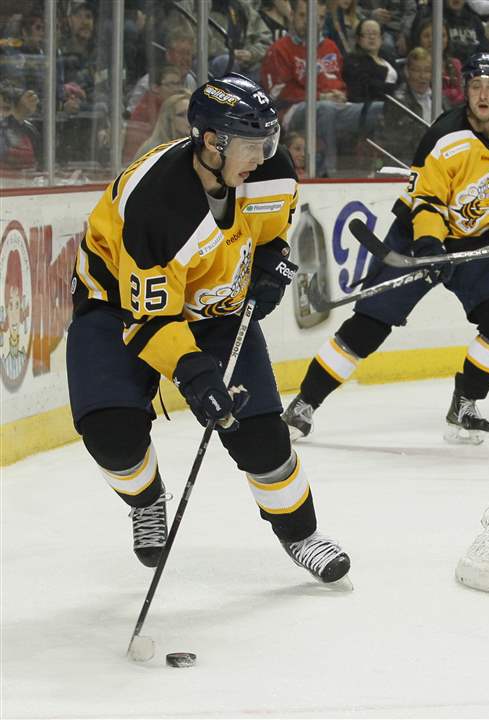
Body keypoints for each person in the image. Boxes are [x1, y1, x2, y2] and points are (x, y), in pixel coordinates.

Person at [67, 73, 350, 584]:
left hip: (216, 308)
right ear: (211, 142)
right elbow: (150, 319)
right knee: (111, 433)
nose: (264, 155)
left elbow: (270, 234)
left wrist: (273, 262)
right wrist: (195, 375)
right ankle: (147, 501)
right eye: (251, 144)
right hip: (116, 305)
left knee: (262, 438)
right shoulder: (156, 205)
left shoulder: (271, 170)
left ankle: (301, 534)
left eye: (269, 140)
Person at [282, 53, 489, 444]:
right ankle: (304, 403)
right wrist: (430, 246)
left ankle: (466, 402)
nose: (483, 95)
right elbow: (425, 200)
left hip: (475, 238)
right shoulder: (444, 137)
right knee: (370, 326)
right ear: (465, 90)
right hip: (416, 238)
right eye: (476, 86)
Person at [261, 0, 381, 176]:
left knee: (378, 109)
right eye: (304, 15)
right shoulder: (279, 49)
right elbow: (278, 94)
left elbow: (339, 80)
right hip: (292, 111)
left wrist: (340, 94)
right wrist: (320, 97)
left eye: (321, 17)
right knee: (326, 109)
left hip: (335, 106)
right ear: (292, 16)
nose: (313, 22)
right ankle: (328, 172)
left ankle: (375, 169)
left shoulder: (330, 46)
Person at [132, 90, 192, 160]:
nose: (189, 118)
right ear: (168, 119)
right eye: (181, 115)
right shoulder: (153, 150)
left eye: (191, 112)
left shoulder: (201, 145)